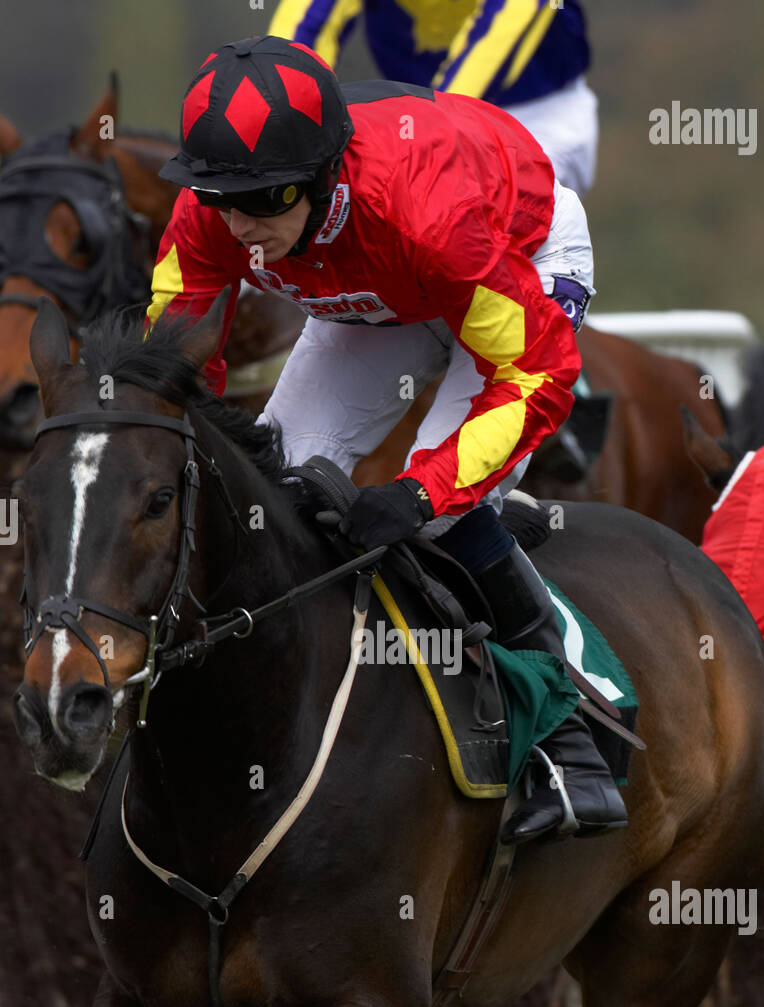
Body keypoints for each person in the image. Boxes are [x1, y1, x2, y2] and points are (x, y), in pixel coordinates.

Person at [148, 35, 626, 843]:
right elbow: (174, 366)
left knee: (441, 510)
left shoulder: (429, 215)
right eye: (223, 200)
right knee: (270, 494)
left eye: (264, 202)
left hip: (510, 259)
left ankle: (570, 734)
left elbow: (535, 378)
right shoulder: (214, 211)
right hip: (377, 287)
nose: (240, 225)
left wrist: (418, 493)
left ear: (321, 176)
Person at [270, 0, 599, 199]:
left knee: (478, 247)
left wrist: (434, 126)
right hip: (414, 120)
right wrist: (277, 110)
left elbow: (506, 23)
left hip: (535, 117)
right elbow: (308, 21)